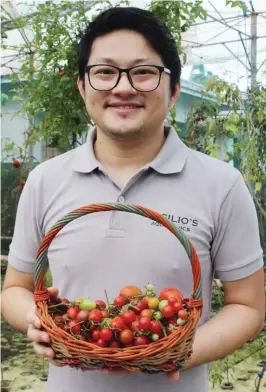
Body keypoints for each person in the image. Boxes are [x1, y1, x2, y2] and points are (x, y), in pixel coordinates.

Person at [1, 6, 264, 392]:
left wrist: (174, 352)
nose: (123, 88)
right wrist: (35, 320)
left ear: (173, 88)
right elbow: (15, 289)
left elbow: (248, 306)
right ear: (82, 87)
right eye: (104, 72)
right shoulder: (45, 180)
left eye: (143, 72)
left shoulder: (221, 184)